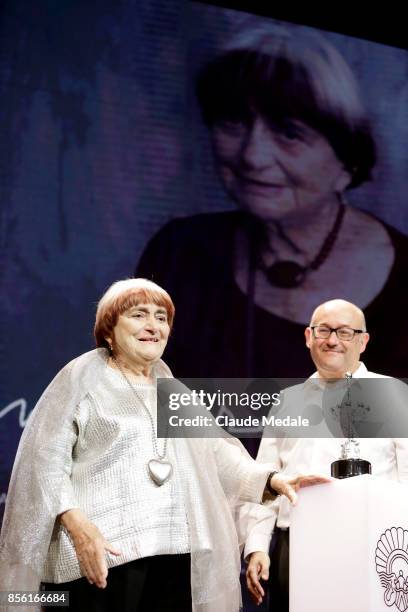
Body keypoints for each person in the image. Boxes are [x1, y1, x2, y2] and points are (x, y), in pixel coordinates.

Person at [0, 278, 328, 612]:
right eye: (139, 315)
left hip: (175, 559)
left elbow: (220, 457)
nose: (153, 325)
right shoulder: (82, 380)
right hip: (102, 559)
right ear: (109, 330)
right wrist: (78, 527)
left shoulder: (174, 393)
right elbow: (45, 464)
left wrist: (272, 480)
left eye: (161, 317)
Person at [136, 26, 408, 385]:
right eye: (234, 122)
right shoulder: (179, 252)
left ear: (348, 159)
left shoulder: (405, 279)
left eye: (290, 133)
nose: (252, 155)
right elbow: (131, 401)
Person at [245, 299, 408, 611]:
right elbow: (265, 480)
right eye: (324, 330)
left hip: (374, 541)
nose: (333, 340)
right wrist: (257, 546)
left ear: (363, 341)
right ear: (308, 337)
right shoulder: (287, 402)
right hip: (296, 543)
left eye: (345, 332)